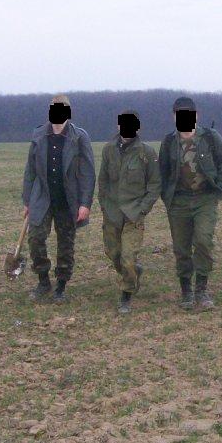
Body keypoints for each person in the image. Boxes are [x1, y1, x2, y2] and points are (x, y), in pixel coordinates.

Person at [158, 96, 222, 310]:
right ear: (174, 117)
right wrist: (167, 198)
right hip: (178, 201)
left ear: (196, 115)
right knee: (181, 248)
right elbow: (162, 173)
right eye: (179, 114)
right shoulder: (169, 142)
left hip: (205, 199)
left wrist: (218, 192)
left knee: (203, 241)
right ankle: (186, 291)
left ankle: (201, 290)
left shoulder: (210, 138)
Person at [21, 94, 95, 303]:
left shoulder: (79, 137)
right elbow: (30, 171)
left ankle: (61, 286)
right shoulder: (38, 135)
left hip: (67, 201)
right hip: (42, 199)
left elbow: (87, 173)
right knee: (35, 238)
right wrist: (27, 201)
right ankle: (43, 281)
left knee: (65, 245)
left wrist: (85, 204)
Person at [97, 110, 161, 314]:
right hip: (112, 213)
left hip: (134, 215)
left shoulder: (146, 153)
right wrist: (104, 205)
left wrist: (142, 209)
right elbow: (103, 180)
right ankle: (133, 273)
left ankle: (126, 294)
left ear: (138, 127)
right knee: (113, 253)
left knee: (128, 257)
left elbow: (155, 184)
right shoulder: (108, 150)